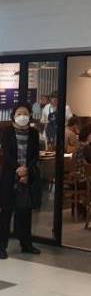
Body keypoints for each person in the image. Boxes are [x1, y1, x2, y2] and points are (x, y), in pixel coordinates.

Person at [0, 102, 41, 259]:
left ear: (30, 116)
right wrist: (18, 168)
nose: (22, 116)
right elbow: (6, 153)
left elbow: (35, 154)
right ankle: (1, 246)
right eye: (19, 114)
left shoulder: (34, 133)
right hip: (10, 175)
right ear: (13, 116)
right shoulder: (7, 131)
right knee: (6, 211)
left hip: (27, 176)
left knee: (25, 211)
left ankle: (26, 244)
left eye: (25, 113)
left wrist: (27, 170)